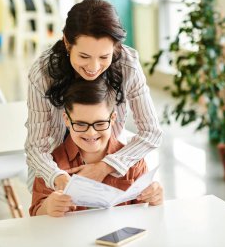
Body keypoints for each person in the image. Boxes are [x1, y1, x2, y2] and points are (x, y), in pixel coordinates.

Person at [25, 0, 162, 192]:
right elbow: (35, 147)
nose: (93, 67)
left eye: (104, 57)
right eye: (84, 56)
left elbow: (151, 132)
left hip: (107, 165)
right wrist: (57, 177)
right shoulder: (43, 73)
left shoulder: (128, 65)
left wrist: (105, 167)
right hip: (56, 169)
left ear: (115, 47)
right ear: (66, 42)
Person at [29, 77, 163, 217]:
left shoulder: (133, 162)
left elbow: (144, 214)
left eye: (99, 123)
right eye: (81, 124)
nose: (91, 133)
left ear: (112, 118)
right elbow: (36, 214)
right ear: (67, 120)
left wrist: (155, 198)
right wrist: (48, 206)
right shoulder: (51, 165)